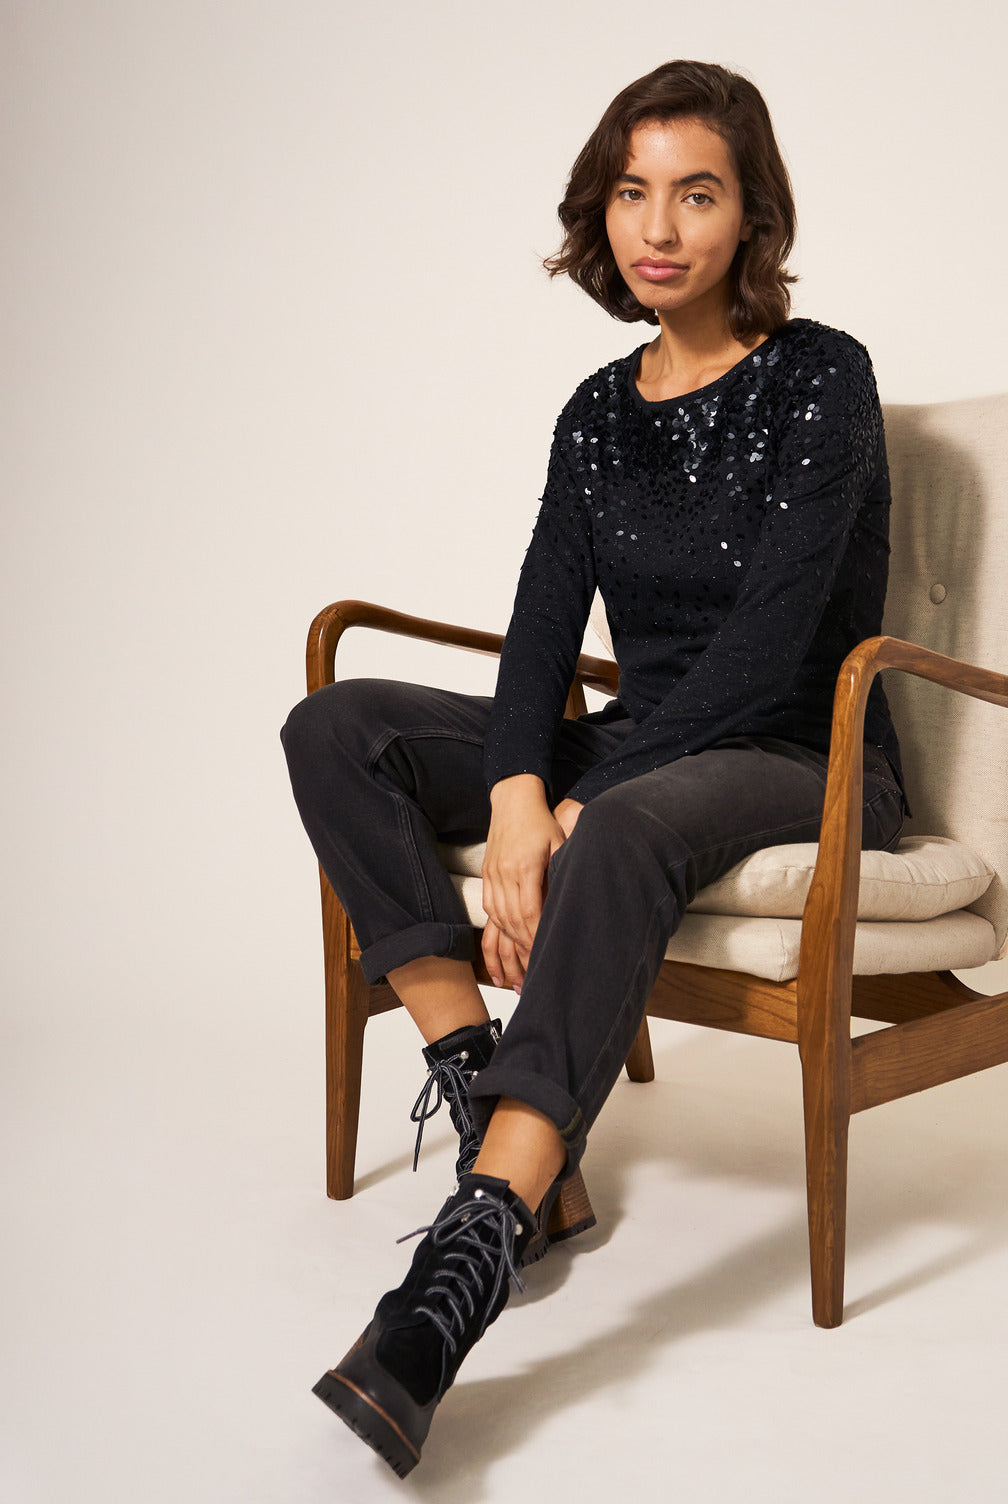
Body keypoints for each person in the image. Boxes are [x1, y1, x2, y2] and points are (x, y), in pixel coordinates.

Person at [281, 58, 906, 1477]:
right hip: (647, 744)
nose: (659, 227)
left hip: (806, 750)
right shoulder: (595, 410)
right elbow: (544, 622)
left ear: (753, 215)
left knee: (620, 826)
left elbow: (773, 648)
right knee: (337, 725)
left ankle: (465, 1262)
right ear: (600, 210)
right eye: (633, 192)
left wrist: (574, 804)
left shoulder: (822, 376)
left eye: (698, 193)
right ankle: (484, 1085)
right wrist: (517, 791)